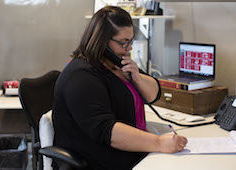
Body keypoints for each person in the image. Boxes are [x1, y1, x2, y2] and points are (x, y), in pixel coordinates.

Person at [52, 6, 187, 170]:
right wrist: (158, 143)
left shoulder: (116, 64)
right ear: (102, 41)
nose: (129, 48)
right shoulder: (80, 76)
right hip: (100, 161)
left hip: (129, 152)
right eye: (124, 42)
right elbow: (107, 131)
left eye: (131, 41)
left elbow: (154, 94)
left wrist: (137, 77)